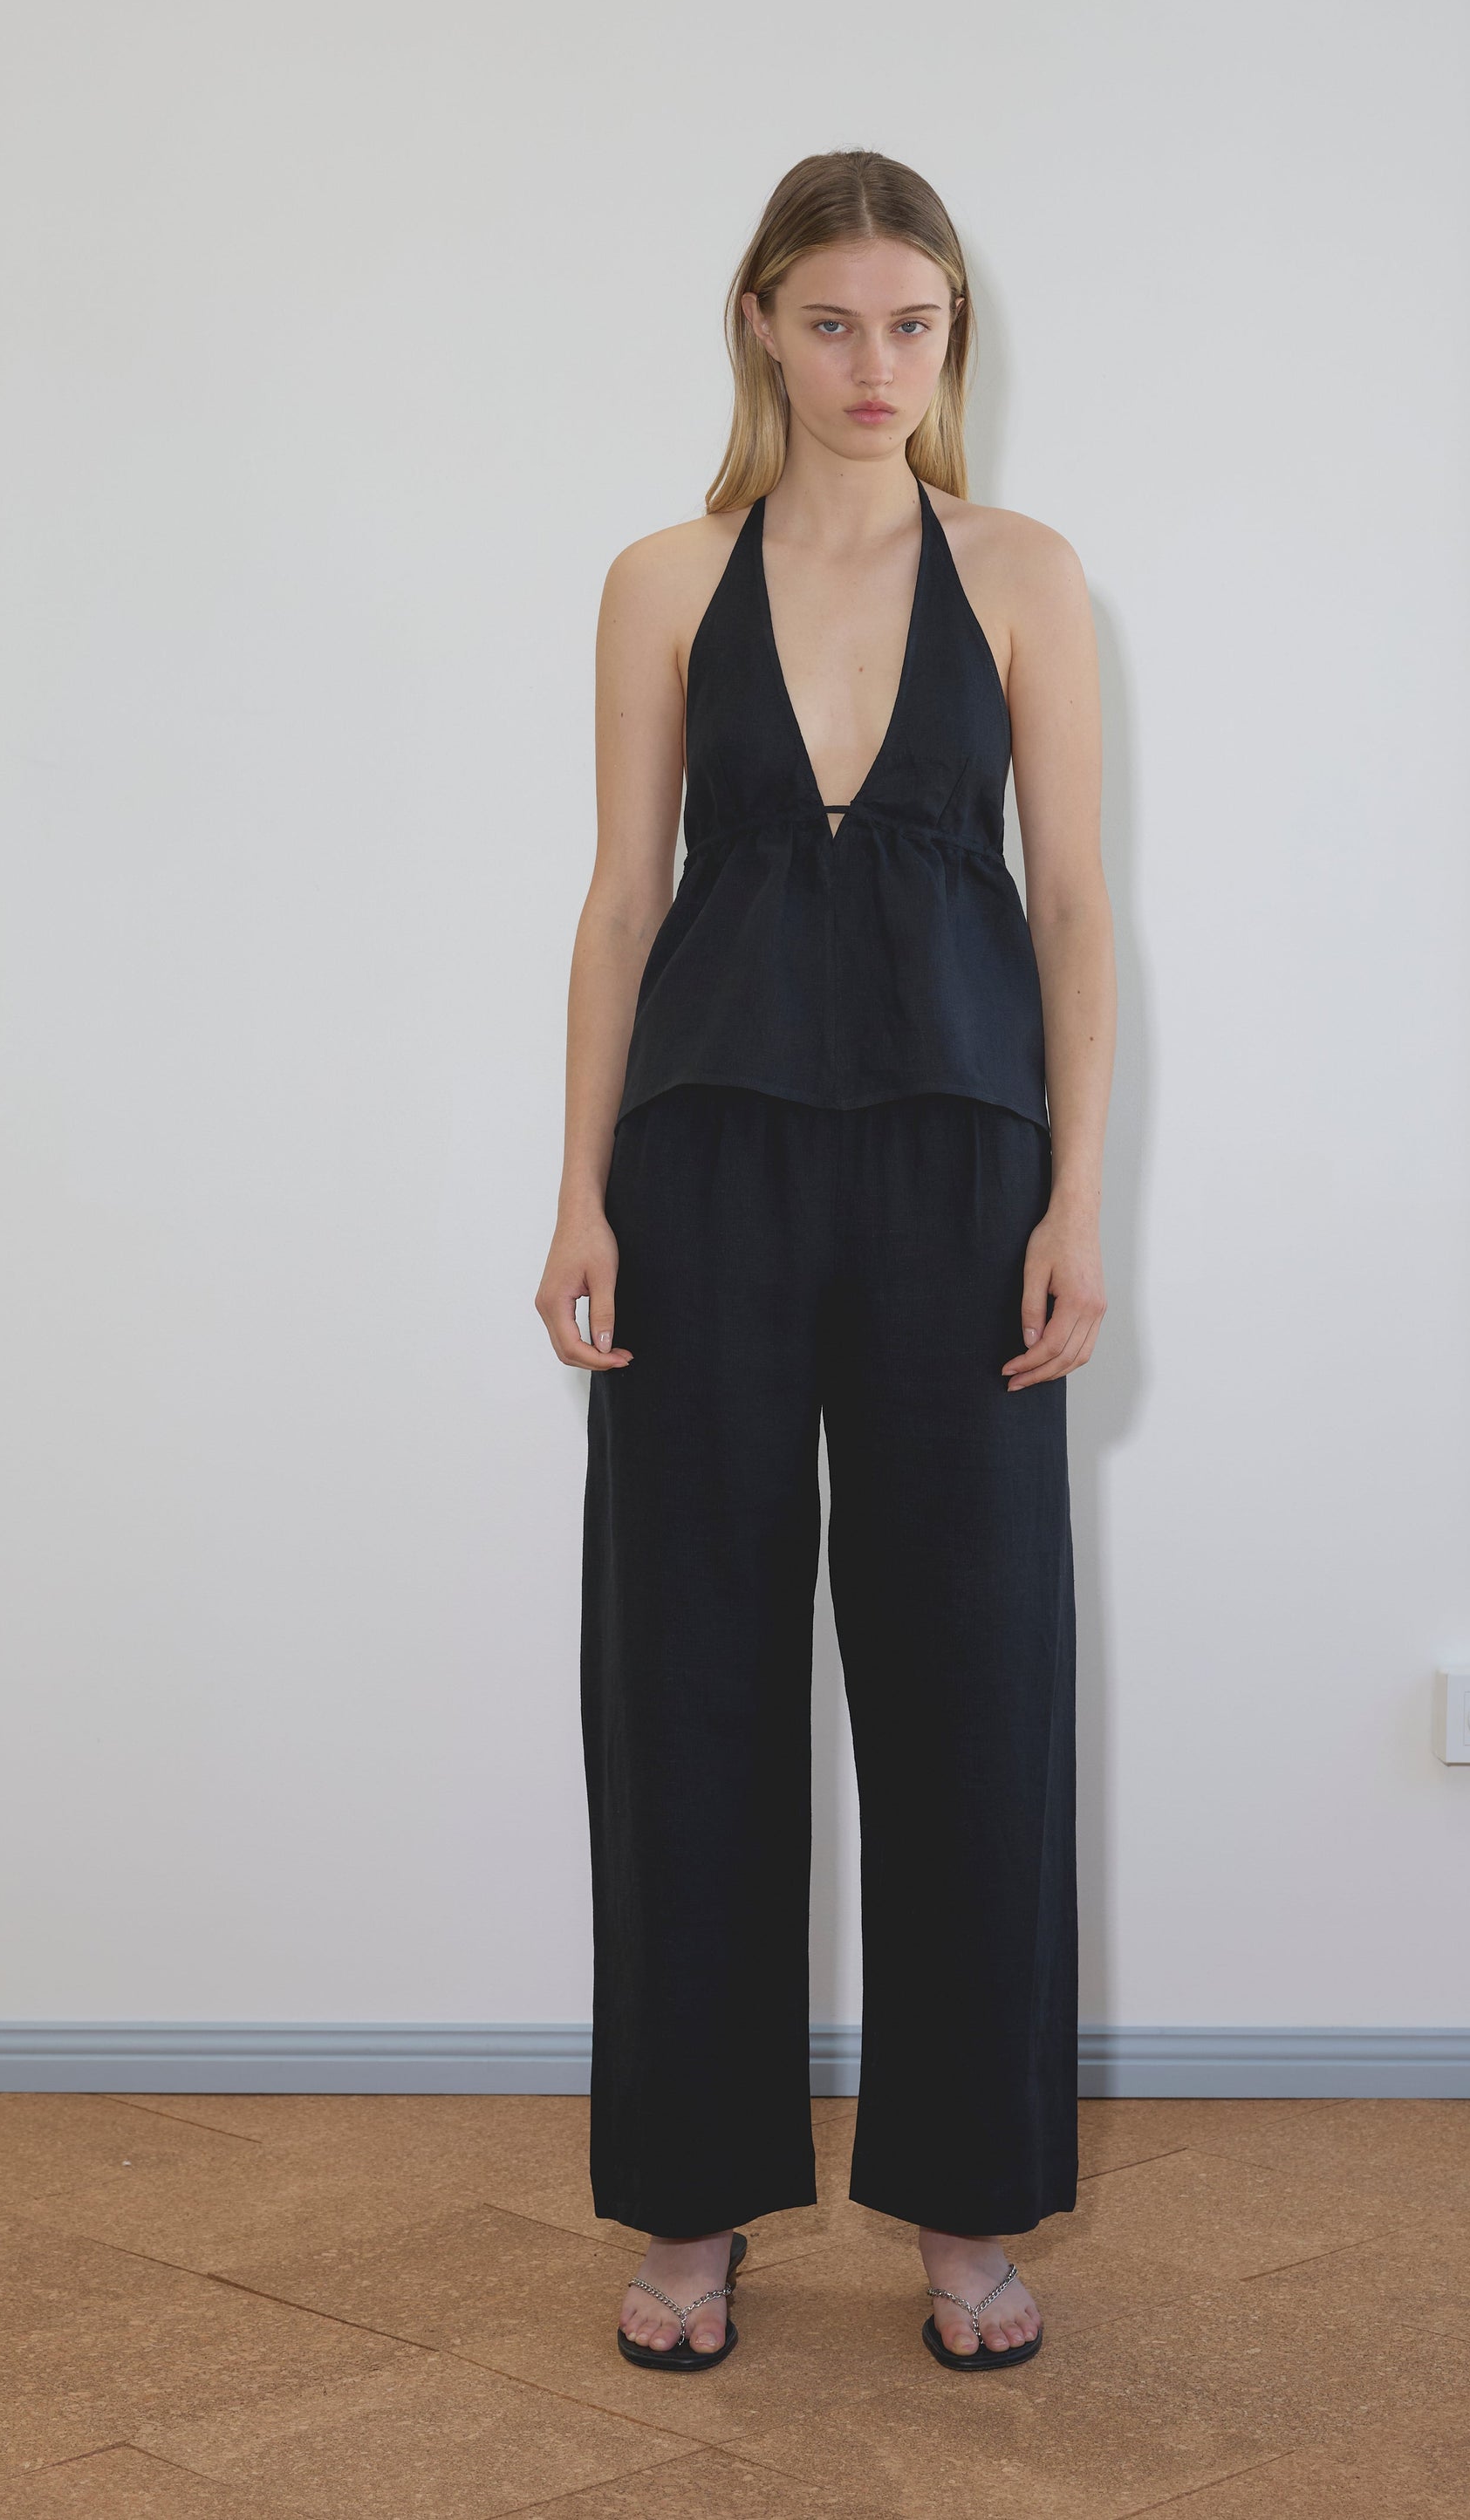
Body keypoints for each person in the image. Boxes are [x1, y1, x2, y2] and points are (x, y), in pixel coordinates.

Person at [536, 147, 1116, 2373]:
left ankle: (966, 2207)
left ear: (950, 336)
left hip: (967, 1172)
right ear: (762, 328)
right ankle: (690, 2203)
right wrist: (578, 1190)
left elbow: (1074, 903)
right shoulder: (665, 577)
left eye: (913, 323)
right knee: (682, 1670)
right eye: (833, 321)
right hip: (705, 1163)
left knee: (975, 1670)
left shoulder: (1027, 574)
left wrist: (1078, 1195)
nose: (876, 364)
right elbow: (620, 899)